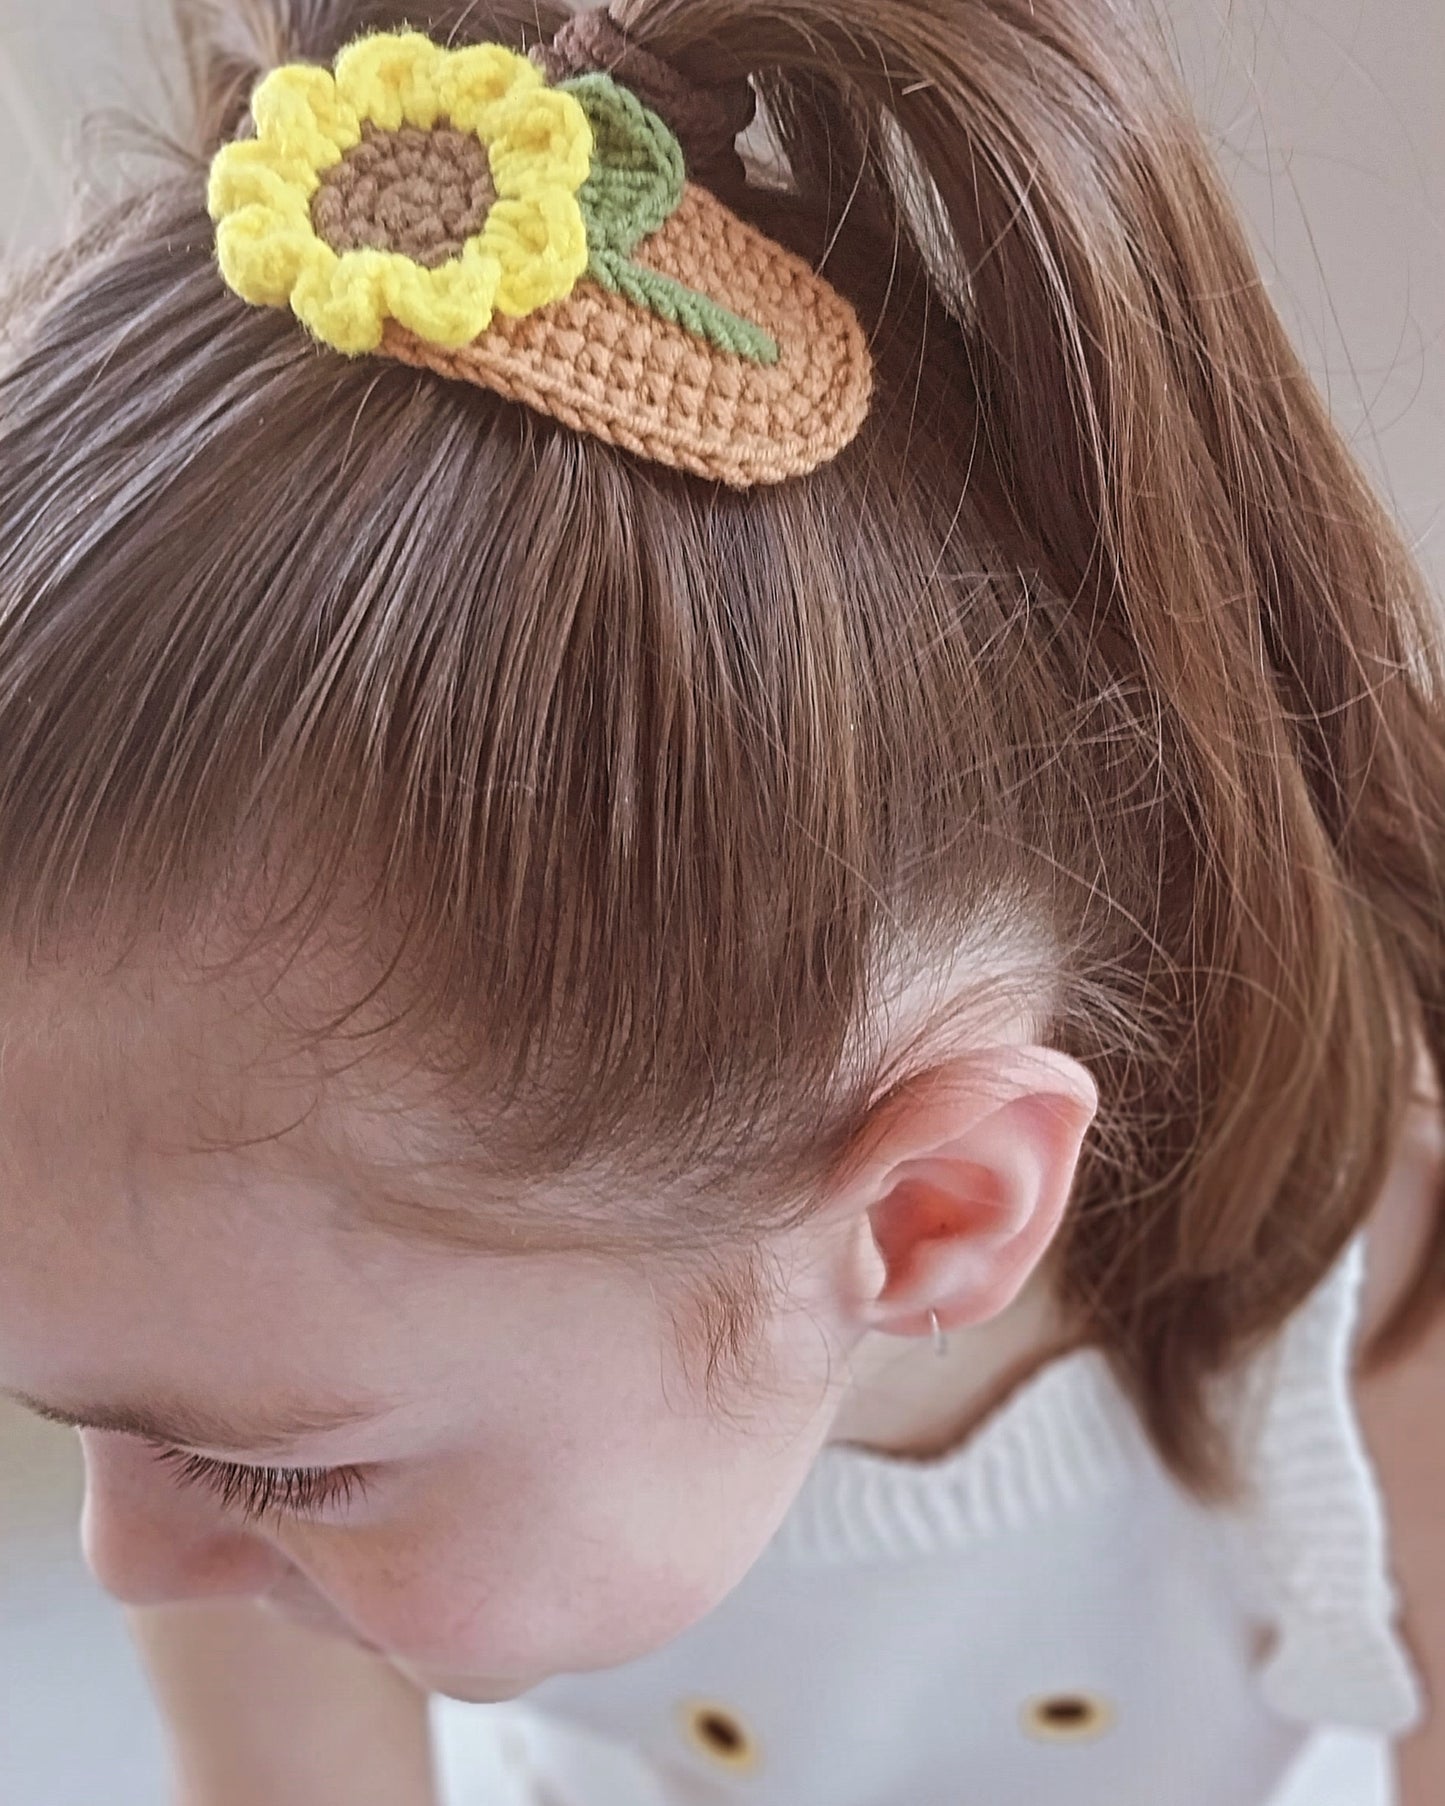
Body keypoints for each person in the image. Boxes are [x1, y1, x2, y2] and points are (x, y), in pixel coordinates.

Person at [0, 0, 1441, 1801]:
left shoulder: (1368, 1317)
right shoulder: (210, 1398)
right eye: (87, 1419)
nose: (125, 1556)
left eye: (292, 1476)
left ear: (926, 1214)